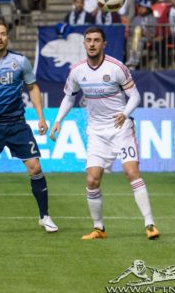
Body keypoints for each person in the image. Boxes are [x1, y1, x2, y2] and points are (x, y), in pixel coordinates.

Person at [50, 26, 159, 241]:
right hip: (96, 132)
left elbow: (135, 96)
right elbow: (69, 97)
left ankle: (150, 224)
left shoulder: (117, 67)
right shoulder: (77, 71)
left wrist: (125, 113)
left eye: (96, 40)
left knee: (131, 172)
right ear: (84, 43)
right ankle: (99, 229)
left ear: (104, 44)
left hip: (121, 129)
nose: (92, 44)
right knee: (92, 180)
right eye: (88, 40)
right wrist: (58, 121)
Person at [0, 19, 56, 236]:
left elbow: (33, 88)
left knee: (35, 167)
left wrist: (41, 117)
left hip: (17, 124)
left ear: (7, 37)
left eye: (3, 33)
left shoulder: (20, 61)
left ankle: (45, 216)